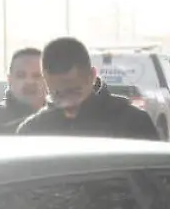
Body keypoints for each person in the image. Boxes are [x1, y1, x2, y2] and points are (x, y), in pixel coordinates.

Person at [16, 37, 161, 140]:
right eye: (58, 94)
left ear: (92, 76)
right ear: (46, 82)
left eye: (73, 91)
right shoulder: (32, 131)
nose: (68, 103)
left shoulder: (132, 124)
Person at [0, 47, 47, 136]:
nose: (29, 82)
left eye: (37, 76)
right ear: (10, 80)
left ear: (49, 80)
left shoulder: (61, 120)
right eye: (21, 76)